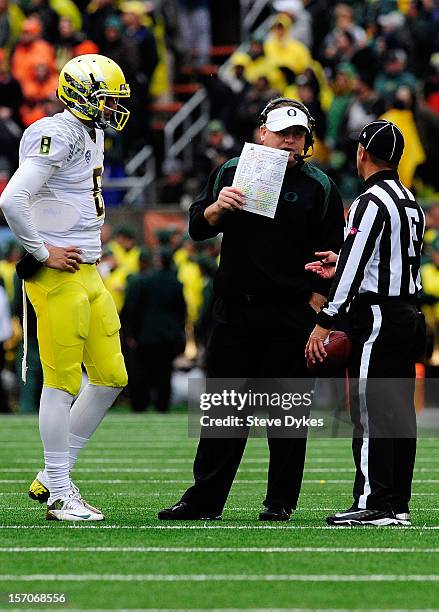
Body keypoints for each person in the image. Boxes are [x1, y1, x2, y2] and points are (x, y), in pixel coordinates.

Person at [158, 97, 345, 521]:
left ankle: (280, 502)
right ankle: (205, 499)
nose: (289, 142)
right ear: (262, 132)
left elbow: (332, 254)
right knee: (223, 412)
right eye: (282, 132)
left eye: (297, 135)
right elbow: (196, 227)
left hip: (290, 313)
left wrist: (314, 312)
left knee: (288, 416)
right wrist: (217, 207)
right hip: (235, 311)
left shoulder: (320, 186)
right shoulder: (231, 170)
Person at [0, 54, 130, 521]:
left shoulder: (90, 131)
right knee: (60, 384)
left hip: (88, 271)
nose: (114, 107)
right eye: (107, 99)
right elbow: (13, 197)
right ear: (81, 95)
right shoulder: (56, 132)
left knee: (112, 377)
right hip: (58, 275)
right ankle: (58, 492)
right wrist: (41, 251)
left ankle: (53, 474)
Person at [305, 119, 425, 527]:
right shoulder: (411, 202)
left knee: (372, 411)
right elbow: (385, 260)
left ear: (362, 153)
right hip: (409, 314)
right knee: (398, 411)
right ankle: (397, 503)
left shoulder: (369, 201)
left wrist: (325, 320)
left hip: (377, 316)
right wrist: (346, 262)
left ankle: (373, 501)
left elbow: (356, 267)